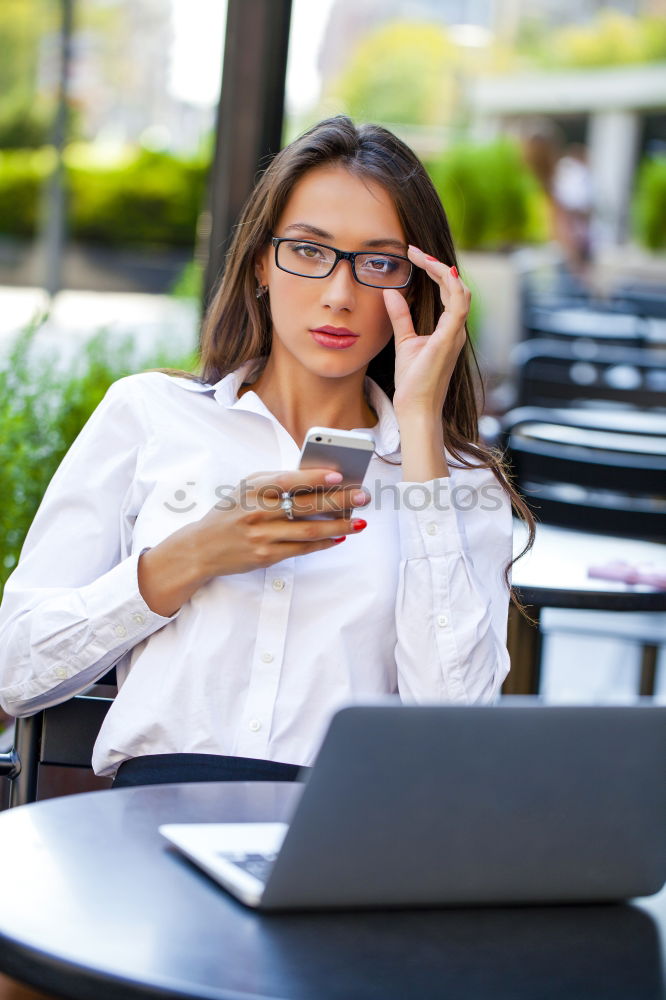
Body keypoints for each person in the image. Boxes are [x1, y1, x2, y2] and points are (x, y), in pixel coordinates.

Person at [0, 115, 533, 788]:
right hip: (149, 824)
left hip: (341, 832)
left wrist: (422, 431)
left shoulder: (454, 479)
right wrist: (195, 554)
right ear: (261, 260)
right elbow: (16, 673)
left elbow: (455, 729)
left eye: (378, 263)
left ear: (418, 285)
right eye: (309, 251)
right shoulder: (148, 415)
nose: (339, 296)